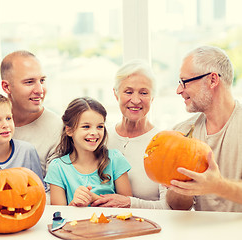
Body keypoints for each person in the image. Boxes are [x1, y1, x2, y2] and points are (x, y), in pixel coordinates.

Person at [0, 50, 62, 177]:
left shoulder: (57, 129)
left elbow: (54, 191)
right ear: (6, 87)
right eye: (29, 82)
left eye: (42, 80)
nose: (40, 90)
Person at [166, 45, 242, 212]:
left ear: (212, 80)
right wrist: (181, 185)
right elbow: (177, 206)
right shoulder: (182, 133)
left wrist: (217, 186)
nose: (179, 90)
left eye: (184, 82)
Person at [91, 60, 169, 209]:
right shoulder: (100, 138)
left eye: (144, 93)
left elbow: (169, 207)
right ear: (116, 94)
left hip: (150, 226)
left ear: (152, 97)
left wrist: (129, 203)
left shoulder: (164, 142)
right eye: (128, 92)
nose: (135, 100)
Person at [44, 97, 132, 206]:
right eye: (86, 126)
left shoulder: (115, 159)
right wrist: (74, 205)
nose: (94, 132)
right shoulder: (57, 167)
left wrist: (93, 198)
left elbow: (128, 207)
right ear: (69, 130)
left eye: (100, 126)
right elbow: (59, 216)